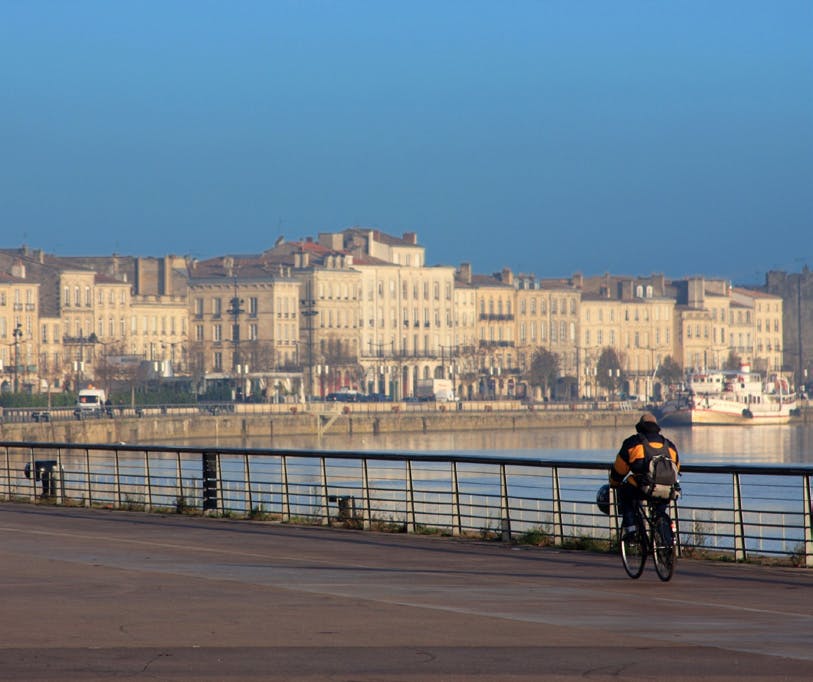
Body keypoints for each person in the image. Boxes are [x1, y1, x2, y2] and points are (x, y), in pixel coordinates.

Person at [609, 412, 680, 539]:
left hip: (643, 488)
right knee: (660, 511)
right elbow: (677, 467)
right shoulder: (669, 445)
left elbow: (620, 469)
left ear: (640, 427)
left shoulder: (633, 443)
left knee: (626, 493)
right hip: (667, 489)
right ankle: (666, 544)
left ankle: (631, 530)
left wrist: (614, 483)